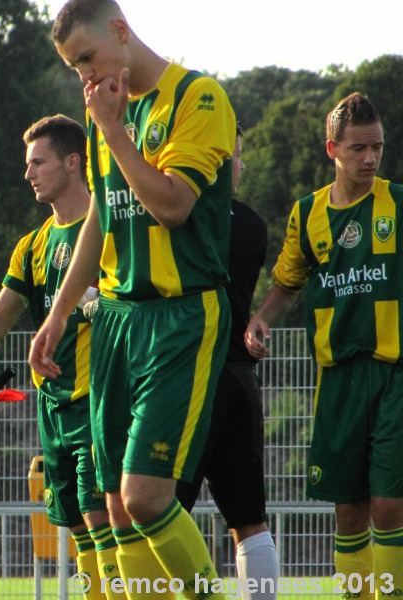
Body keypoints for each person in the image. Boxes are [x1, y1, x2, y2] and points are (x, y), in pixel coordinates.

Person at [28, 1, 236, 598]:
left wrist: (114, 131)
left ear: (121, 32)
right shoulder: (102, 114)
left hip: (180, 315)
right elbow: (101, 217)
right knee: (116, 502)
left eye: (87, 58)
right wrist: (60, 311)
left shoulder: (197, 98)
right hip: (116, 318)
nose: (84, 77)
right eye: (73, 67)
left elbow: (172, 206)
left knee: (146, 497)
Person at [0, 115, 119, 599]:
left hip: (100, 403)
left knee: (101, 520)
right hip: (54, 407)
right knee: (79, 529)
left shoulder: (114, 233)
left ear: (73, 162)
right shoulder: (33, 244)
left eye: (38, 162)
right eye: (27, 164)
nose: (28, 173)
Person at [245, 92, 403, 598]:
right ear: (331, 148)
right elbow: (287, 282)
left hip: (394, 372)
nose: (370, 158)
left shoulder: (398, 204)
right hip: (336, 379)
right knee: (349, 509)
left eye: (377, 147)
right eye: (359, 148)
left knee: (389, 504)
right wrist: (261, 319)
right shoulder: (307, 213)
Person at [175, 125, 279, 599]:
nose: (241, 166)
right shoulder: (253, 225)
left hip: (185, 377)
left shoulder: (175, 217)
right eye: (235, 157)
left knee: (160, 511)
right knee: (249, 520)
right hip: (239, 377)